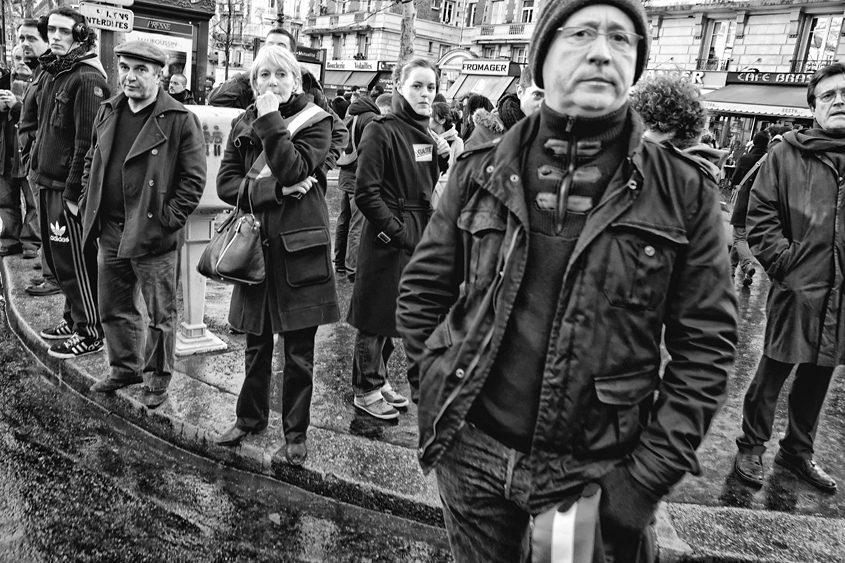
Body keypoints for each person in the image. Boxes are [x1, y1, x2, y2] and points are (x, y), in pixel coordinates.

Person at [396, 1, 737, 561]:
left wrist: (643, 480)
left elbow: (706, 349)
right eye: (581, 33)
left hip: (589, 479)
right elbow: (422, 294)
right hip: (472, 458)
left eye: (621, 40)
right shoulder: (478, 169)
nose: (603, 51)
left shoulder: (683, 192)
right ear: (541, 57)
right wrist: (432, 393)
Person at [214, 45, 338, 467]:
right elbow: (226, 185)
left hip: (300, 251)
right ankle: (249, 418)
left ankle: (295, 433)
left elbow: (293, 168)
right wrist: (274, 193)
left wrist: (270, 121)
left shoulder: (318, 122)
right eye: (263, 75)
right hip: (254, 249)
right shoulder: (240, 122)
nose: (272, 82)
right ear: (253, 83)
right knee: (255, 344)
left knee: (299, 353)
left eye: (281, 75)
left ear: (296, 81)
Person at [733, 63, 845, 494]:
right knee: (774, 368)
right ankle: (751, 445)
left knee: (821, 372)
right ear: (814, 106)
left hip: (842, 291)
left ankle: (798, 450)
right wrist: (786, 265)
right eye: (829, 95)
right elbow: (760, 217)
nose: (839, 101)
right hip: (797, 282)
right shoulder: (785, 154)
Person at [83, 41, 206, 408]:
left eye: (140, 69)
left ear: (158, 75)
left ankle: (156, 379)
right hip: (111, 230)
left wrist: (166, 222)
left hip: (152, 233)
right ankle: (124, 367)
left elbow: (193, 181)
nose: (130, 77)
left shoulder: (180, 119)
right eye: (124, 68)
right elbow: (94, 157)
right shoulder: (108, 110)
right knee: (113, 305)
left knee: (159, 314)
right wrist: (88, 197)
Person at [347, 58, 449, 420]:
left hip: (415, 233)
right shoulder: (383, 128)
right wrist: (396, 231)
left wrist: (443, 159)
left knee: (396, 313)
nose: (425, 94)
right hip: (389, 238)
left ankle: (379, 378)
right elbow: (366, 193)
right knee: (375, 315)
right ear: (399, 87)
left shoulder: (423, 133)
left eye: (431, 87)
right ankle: (365, 388)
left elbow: (420, 181)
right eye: (417, 86)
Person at [31, 7, 109, 358]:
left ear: (80, 34)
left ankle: (90, 330)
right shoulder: (54, 70)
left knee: (75, 261)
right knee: (59, 259)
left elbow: (86, 141)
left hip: (67, 188)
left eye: (64, 31)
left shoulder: (87, 77)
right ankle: (73, 316)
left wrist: (75, 192)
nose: (56, 37)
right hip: (47, 181)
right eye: (52, 31)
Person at [209, 27, 347, 171]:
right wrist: (253, 73)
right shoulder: (251, 88)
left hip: (296, 171)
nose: (274, 50)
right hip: (255, 176)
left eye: (281, 46)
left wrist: (319, 168)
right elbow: (216, 99)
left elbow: (340, 132)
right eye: (269, 46)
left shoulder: (310, 89)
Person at [17, 19, 59, 296]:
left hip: (42, 161)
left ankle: (53, 278)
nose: (24, 44)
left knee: (51, 225)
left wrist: (33, 150)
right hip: (35, 158)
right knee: (45, 224)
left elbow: (49, 120)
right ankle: (49, 272)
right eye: (21, 38)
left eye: (31, 38)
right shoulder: (38, 72)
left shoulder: (49, 73)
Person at [334, 82, 381, 281]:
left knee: (343, 220)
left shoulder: (350, 116)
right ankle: (353, 268)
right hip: (358, 177)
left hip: (345, 174)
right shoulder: (369, 118)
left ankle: (339, 264)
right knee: (357, 224)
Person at [0, 46, 38, 259]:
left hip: (29, 154)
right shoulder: (3, 82)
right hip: (5, 155)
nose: (22, 61)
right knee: (5, 201)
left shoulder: (41, 83)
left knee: (33, 203)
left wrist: (16, 106)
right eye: (17, 58)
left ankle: (31, 243)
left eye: (26, 58)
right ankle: (10, 240)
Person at [728, 131, 769, 287]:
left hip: (744, 203)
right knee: (741, 240)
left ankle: (747, 265)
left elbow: (735, 179)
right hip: (762, 205)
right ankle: (730, 271)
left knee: (739, 238)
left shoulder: (746, 159)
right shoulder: (771, 160)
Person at [429, 101, 464, 209]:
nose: (426, 119)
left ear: (442, 120)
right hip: (426, 196)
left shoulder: (457, 142)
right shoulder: (424, 138)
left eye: (430, 116)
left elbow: (458, 173)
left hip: (445, 199)